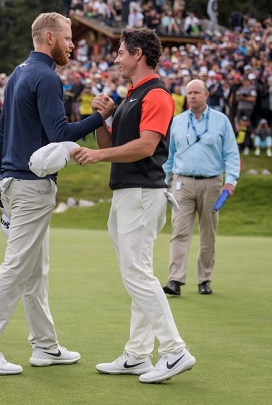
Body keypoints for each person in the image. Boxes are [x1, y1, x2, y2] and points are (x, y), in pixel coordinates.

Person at [0, 12, 108, 376]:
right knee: (18, 266)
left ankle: (45, 347)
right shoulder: (45, 77)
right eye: (68, 38)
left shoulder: (18, 73)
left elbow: (1, 133)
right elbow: (59, 132)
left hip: (14, 182)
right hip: (31, 186)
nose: (72, 45)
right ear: (48, 37)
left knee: (35, 269)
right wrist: (99, 117)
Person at [71, 27, 196, 383]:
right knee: (138, 273)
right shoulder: (131, 95)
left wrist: (97, 155)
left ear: (138, 53)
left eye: (121, 52)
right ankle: (138, 355)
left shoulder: (157, 95)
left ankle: (174, 351)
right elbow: (115, 142)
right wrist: (104, 119)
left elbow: (144, 147)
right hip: (128, 193)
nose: (116, 58)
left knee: (137, 275)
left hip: (142, 194)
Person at [161, 79, 241, 297]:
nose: (193, 96)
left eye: (197, 92)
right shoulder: (177, 122)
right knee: (179, 231)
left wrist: (230, 181)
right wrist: (163, 179)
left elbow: (231, 154)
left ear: (206, 94)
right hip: (182, 182)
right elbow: (169, 155)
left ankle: (204, 279)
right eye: (189, 93)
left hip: (212, 183)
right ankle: (175, 280)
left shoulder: (221, 121)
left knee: (208, 233)